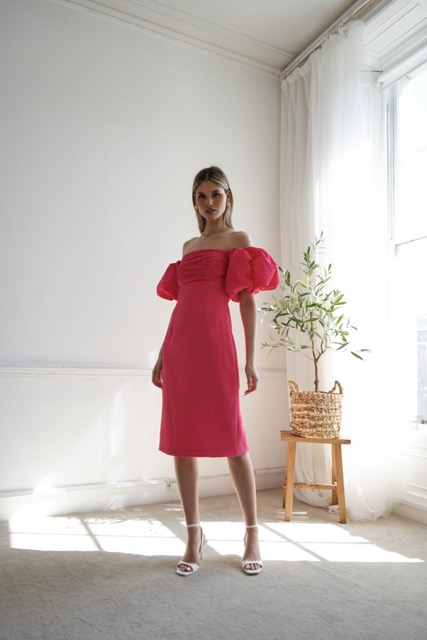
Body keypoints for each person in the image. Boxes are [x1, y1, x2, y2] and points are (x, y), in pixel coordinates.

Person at [152, 166, 279, 576]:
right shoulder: (189, 247)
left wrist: (250, 359)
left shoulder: (238, 241)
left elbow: (248, 302)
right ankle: (194, 536)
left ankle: (252, 534)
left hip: (217, 348)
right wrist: (162, 354)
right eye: (201, 196)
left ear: (228, 197)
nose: (209, 203)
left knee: (234, 442)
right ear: (194, 201)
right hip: (181, 350)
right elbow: (181, 306)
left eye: (216, 195)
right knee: (181, 443)